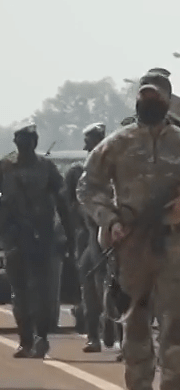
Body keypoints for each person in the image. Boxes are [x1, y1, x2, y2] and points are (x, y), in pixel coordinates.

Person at [77, 73, 180, 390]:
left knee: (176, 320)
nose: (149, 102)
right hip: (131, 245)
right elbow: (88, 187)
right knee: (136, 322)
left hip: (173, 243)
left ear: (167, 102)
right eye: (144, 96)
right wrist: (110, 219)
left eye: (156, 97)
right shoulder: (116, 144)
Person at [1, 124, 75, 358]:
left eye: (29, 139)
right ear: (16, 142)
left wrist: (69, 235)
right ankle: (26, 340)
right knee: (19, 291)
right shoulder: (5, 167)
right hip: (14, 237)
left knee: (41, 292)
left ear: (35, 141)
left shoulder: (47, 169)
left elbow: (62, 203)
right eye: (22, 139)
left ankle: (41, 338)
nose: (25, 144)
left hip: (42, 237)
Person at [64, 122, 108, 353]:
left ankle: (111, 331)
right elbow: (70, 205)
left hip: (111, 234)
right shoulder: (78, 171)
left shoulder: (114, 167)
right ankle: (93, 335)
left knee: (111, 286)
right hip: (88, 235)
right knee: (89, 287)